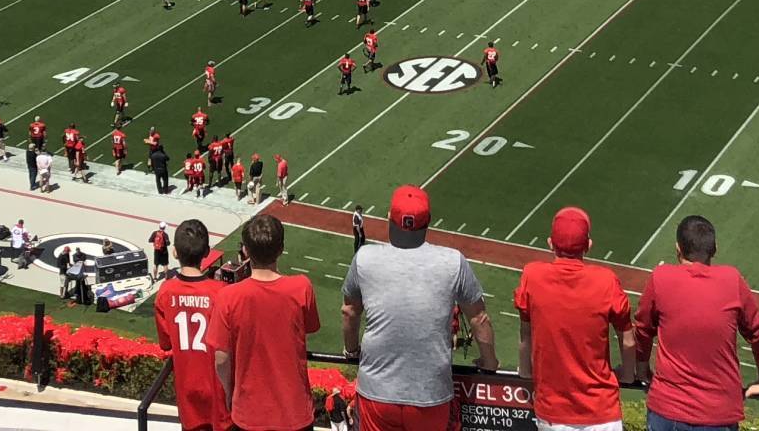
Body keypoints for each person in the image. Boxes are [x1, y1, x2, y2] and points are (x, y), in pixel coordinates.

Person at [344, 185, 495, 431]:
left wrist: (351, 351)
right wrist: (489, 362)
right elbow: (479, 318)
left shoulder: (364, 257)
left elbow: (349, 312)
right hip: (430, 395)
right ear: (429, 222)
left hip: (376, 393)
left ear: (389, 218)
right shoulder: (452, 261)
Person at [629, 216, 759, 431]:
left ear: (678, 248)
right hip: (718, 412)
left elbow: (643, 330)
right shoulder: (732, 279)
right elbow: (758, 332)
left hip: (669, 408)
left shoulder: (661, 278)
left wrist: (641, 370)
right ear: (714, 249)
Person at [515, 206, 631, 431]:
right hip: (601, 411)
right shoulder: (606, 281)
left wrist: (525, 371)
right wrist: (627, 375)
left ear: (550, 243)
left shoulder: (532, 275)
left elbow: (525, 334)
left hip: (553, 413)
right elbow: (627, 338)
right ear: (588, 246)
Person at [212, 214, 320, 431]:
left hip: (249, 413)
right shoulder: (301, 287)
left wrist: (231, 392)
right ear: (281, 249)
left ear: (245, 251)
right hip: (295, 411)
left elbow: (221, 359)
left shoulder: (228, 297)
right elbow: (309, 327)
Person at [156, 219, 232, 431]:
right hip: (219, 391)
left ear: (175, 253)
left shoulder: (165, 292)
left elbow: (166, 343)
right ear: (207, 252)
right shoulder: (222, 292)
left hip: (188, 390)